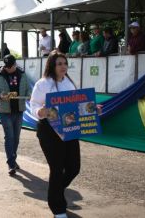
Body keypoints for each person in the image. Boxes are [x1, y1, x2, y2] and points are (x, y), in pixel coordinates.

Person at [30, 51, 101, 218]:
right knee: (57, 169)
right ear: (52, 66)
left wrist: (92, 109)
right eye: (59, 64)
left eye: (65, 63)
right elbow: (33, 105)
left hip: (69, 129)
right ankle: (58, 208)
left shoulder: (69, 82)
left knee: (73, 168)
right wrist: (40, 111)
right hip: (49, 131)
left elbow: (76, 105)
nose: (63, 67)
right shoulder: (43, 84)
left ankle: (55, 191)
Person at [0, 54, 31, 176]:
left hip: (19, 110)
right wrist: (0, 96)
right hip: (5, 111)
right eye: (6, 66)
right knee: (9, 136)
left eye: (10, 66)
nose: (7, 68)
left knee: (16, 138)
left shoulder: (22, 74)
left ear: (15, 65)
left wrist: (29, 94)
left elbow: (28, 89)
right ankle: (11, 164)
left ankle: (13, 159)